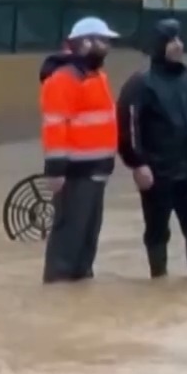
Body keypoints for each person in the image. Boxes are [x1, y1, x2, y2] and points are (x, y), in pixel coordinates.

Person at [116, 20, 187, 278]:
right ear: (158, 46)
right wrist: (137, 163)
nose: (179, 45)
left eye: (179, 39)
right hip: (158, 171)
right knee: (156, 230)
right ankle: (159, 279)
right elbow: (128, 125)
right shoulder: (141, 84)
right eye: (171, 40)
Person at [39, 17, 121, 283]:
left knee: (87, 238)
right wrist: (56, 171)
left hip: (96, 172)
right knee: (68, 238)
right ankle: (59, 289)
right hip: (75, 174)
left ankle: (80, 287)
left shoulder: (97, 77)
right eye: (103, 41)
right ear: (85, 43)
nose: (107, 47)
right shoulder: (63, 80)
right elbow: (55, 126)